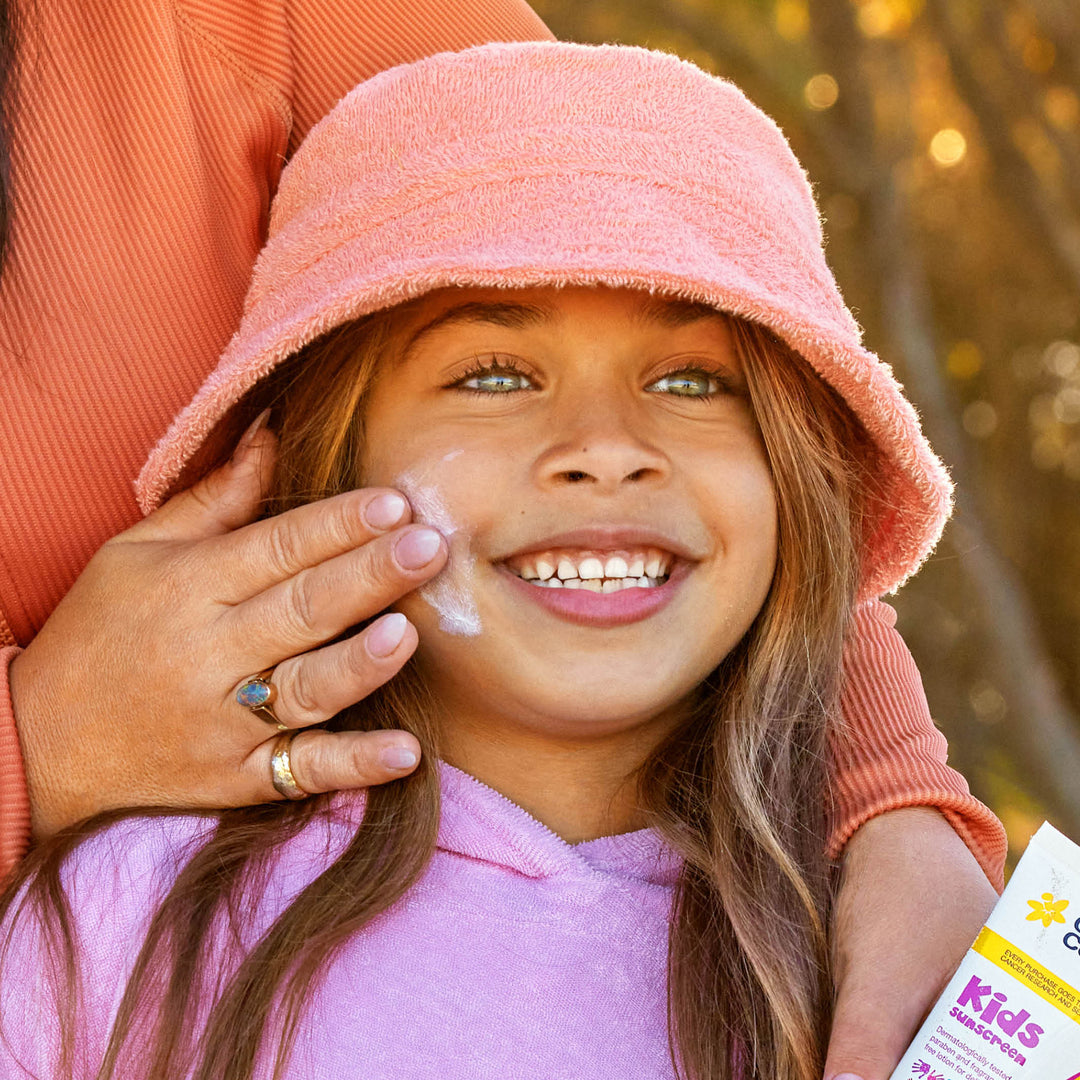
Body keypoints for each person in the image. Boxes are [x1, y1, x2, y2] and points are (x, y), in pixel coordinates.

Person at [0, 41, 1003, 1079]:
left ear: (801, 485)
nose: (606, 448)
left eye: (696, 382)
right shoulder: (111, 932)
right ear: (317, 467)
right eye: (491, 375)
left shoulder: (915, 984)